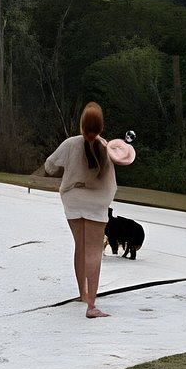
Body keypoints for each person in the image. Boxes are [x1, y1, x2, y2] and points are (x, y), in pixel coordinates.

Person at [44, 102, 117, 319]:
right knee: (94, 251)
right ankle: (92, 306)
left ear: (81, 125)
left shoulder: (70, 144)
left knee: (81, 246)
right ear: (101, 127)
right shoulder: (106, 148)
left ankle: (82, 294)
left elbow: (49, 166)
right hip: (97, 203)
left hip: (73, 200)